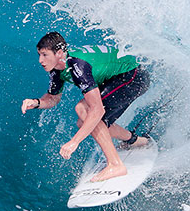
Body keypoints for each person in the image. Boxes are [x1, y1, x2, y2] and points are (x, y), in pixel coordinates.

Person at [21, 32, 150, 182]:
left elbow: (97, 109)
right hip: (117, 77)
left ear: (59, 53)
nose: (40, 60)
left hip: (133, 77)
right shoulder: (58, 67)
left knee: (85, 110)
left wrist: (74, 142)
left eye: (44, 55)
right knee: (85, 122)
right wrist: (35, 102)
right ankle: (137, 141)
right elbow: (53, 98)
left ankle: (116, 165)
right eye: (39, 55)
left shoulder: (78, 66)